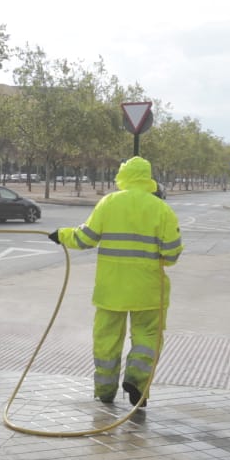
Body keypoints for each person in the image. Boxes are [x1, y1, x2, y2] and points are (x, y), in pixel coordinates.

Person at [48, 156, 182, 409]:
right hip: (149, 290)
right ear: (148, 178)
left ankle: (105, 390)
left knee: (106, 339)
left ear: (123, 177)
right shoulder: (161, 208)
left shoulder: (108, 203)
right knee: (148, 336)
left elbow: (85, 239)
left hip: (111, 290)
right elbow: (172, 254)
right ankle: (137, 384)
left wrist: (61, 235)